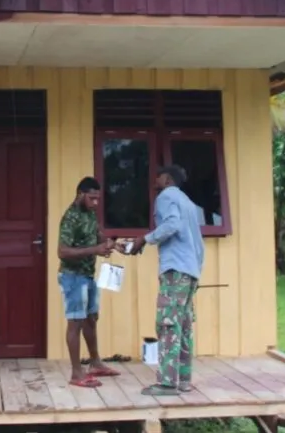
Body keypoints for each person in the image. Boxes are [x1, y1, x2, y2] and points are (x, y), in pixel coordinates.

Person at [127, 165, 205, 396]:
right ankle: (183, 380)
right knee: (183, 326)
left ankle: (167, 383)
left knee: (167, 323)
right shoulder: (189, 203)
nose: (155, 180)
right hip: (190, 271)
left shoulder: (166, 196)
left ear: (168, 179)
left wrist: (144, 239)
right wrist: (196, 272)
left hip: (175, 269)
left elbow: (172, 225)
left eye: (158, 176)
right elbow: (198, 243)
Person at [57, 176, 122, 388]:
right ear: (80, 194)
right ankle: (77, 373)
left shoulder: (90, 214)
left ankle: (95, 363)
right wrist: (94, 250)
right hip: (72, 277)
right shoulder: (70, 218)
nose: (95, 203)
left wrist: (111, 244)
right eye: (92, 198)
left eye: (98, 199)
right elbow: (62, 252)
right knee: (75, 322)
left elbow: (97, 234)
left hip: (88, 275)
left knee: (91, 318)